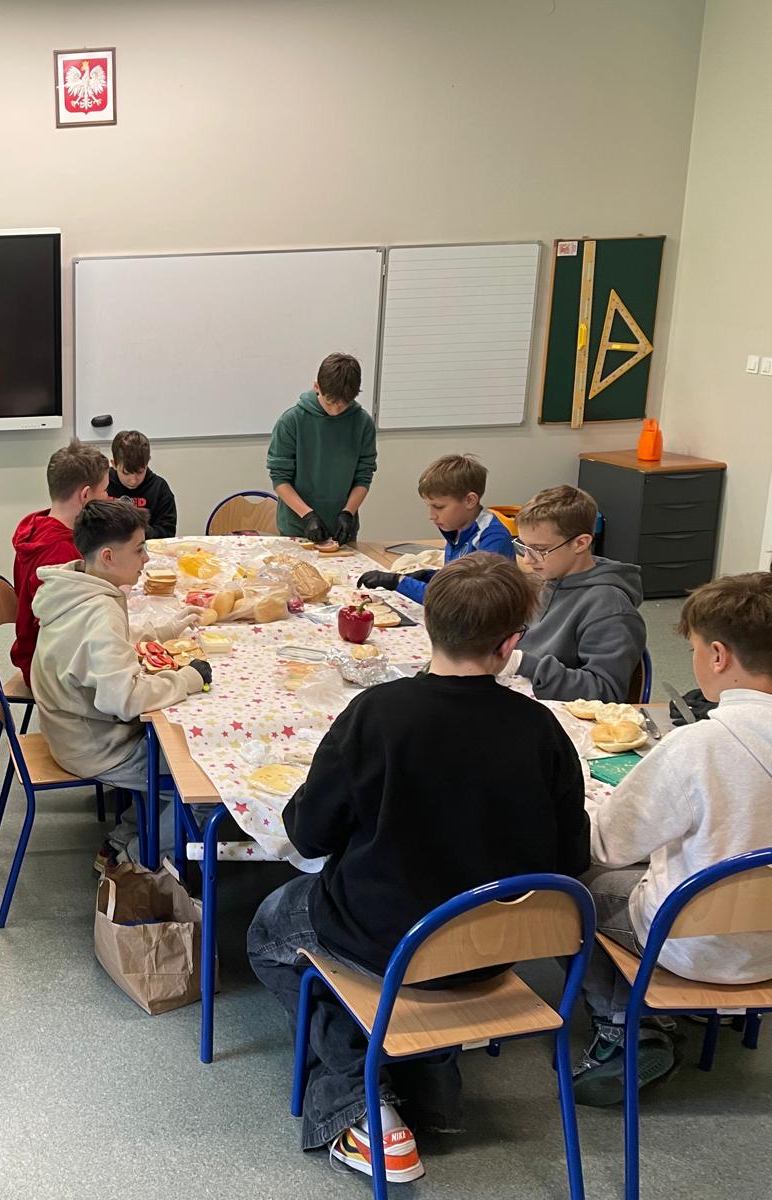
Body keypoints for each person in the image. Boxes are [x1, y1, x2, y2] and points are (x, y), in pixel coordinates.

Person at [247, 554, 589, 1183]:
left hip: (390, 942)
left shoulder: (376, 714)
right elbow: (571, 864)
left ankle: (360, 1097)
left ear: (425, 625)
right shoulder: (543, 728)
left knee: (270, 928)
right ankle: (430, 1078)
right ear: (510, 644)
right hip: (495, 950)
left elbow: (308, 834)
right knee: (416, 909)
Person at [573, 572, 772, 1105]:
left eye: (692, 650)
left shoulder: (696, 746)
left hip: (691, 947)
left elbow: (607, 845)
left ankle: (625, 1028)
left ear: (718, 656)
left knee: (577, 886)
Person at [30, 500, 210, 794]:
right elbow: (125, 700)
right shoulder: (101, 613)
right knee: (203, 774)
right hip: (99, 751)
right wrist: (185, 680)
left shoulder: (76, 585)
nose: (146, 559)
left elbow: (102, 643)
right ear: (108, 557)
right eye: (139, 550)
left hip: (71, 734)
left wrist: (164, 632)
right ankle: (142, 827)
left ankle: (134, 820)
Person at [512, 484, 645, 702]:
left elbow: (605, 692)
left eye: (539, 550)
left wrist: (523, 664)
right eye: (523, 546)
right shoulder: (546, 580)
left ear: (580, 543)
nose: (527, 559)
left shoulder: (610, 608)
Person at [10, 440, 112, 686]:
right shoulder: (60, 554)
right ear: (85, 495)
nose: (108, 497)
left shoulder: (37, 525)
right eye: (105, 490)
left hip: (41, 653)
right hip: (51, 671)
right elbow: (70, 633)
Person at [356, 454, 515, 603]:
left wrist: (399, 582)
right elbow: (458, 580)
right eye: (429, 507)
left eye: (438, 507)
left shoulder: (492, 539)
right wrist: (429, 576)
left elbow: (459, 600)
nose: (431, 516)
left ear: (470, 500)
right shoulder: (459, 528)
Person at [267, 352, 377, 544]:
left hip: (342, 528)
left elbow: (364, 476)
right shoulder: (292, 421)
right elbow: (280, 478)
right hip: (298, 526)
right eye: (330, 402)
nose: (335, 410)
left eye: (343, 405)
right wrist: (307, 516)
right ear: (316, 387)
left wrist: (348, 513)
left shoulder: (363, 423)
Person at [106, 430, 177, 540]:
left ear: (147, 463)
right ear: (114, 464)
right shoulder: (103, 484)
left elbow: (167, 532)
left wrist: (139, 530)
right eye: (126, 473)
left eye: (140, 472)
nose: (133, 481)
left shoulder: (159, 489)